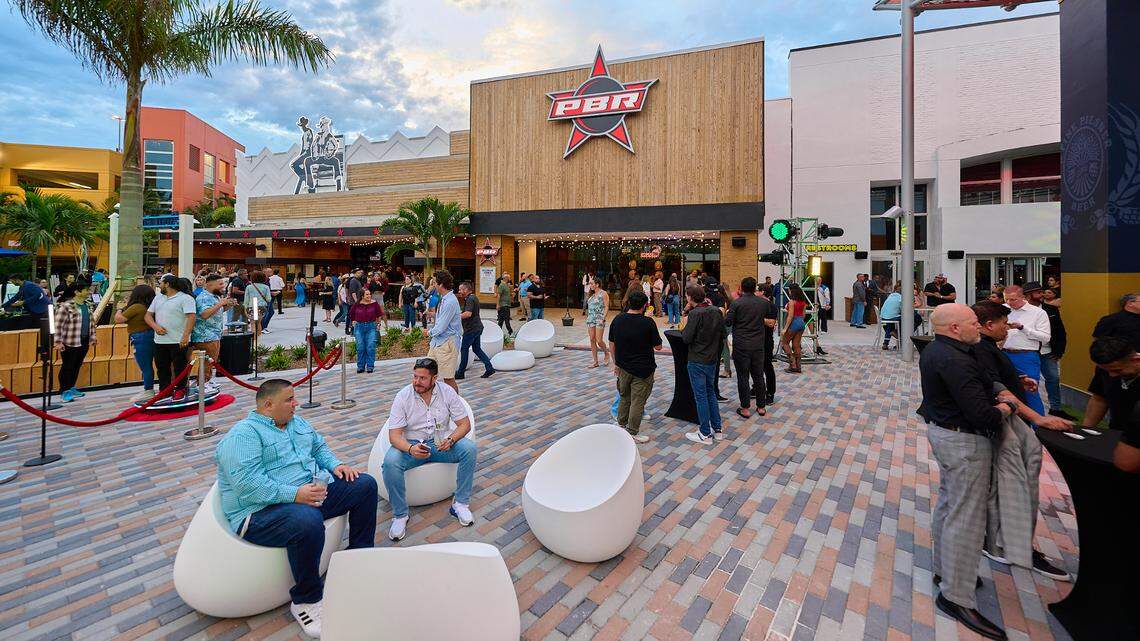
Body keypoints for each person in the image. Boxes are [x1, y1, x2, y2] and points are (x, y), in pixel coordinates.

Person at [215, 379, 377, 638]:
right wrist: (296, 495)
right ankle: (306, 599)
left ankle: (359, 559)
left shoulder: (296, 422)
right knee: (308, 520)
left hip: (304, 496)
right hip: (259, 512)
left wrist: (336, 466)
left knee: (365, 485)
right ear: (268, 405)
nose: (296, 403)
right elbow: (248, 486)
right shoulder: (244, 435)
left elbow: (318, 447)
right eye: (289, 399)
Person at [918, 303, 1012, 641]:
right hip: (962, 442)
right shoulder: (954, 359)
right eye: (974, 323)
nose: (979, 327)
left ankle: (946, 569)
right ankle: (956, 595)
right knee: (966, 514)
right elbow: (982, 414)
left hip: (945, 434)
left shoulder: (938, 349)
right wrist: (1004, 407)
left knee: (949, 502)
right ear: (955, 328)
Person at [969, 301, 1073, 581]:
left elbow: (998, 381)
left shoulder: (988, 349)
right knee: (1011, 485)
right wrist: (1037, 418)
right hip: (1003, 424)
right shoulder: (980, 349)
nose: (1009, 327)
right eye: (1004, 323)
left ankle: (1000, 541)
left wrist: (1018, 378)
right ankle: (1008, 545)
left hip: (1007, 421)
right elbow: (998, 390)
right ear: (989, 325)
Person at [381, 358, 477, 541]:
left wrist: (451, 439)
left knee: (469, 449)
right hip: (412, 445)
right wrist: (410, 449)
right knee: (390, 462)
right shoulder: (403, 396)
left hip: (441, 444)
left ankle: (461, 504)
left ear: (434, 378)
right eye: (415, 376)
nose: (417, 381)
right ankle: (400, 515)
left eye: (422, 378)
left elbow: (464, 424)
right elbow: (394, 436)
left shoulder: (447, 392)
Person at [607, 290, 662, 444]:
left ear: (629, 303)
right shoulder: (647, 323)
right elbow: (658, 346)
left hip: (623, 366)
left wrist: (615, 362)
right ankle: (632, 431)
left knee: (625, 397)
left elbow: (612, 343)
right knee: (638, 400)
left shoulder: (618, 320)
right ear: (645, 305)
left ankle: (621, 424)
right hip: (643, 370)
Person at [1085, 337, 1140, 473]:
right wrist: (1084, 431)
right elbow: (1099, 399)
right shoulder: (1106, 369)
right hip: (1117, 435)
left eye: (1117, 370)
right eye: (1107, 370)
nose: (1112, 375)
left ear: (1136, 360)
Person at [682, 284, 726, 444]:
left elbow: (686, 338)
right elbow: (723, 333)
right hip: (711, 359)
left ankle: (705, 433)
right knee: (710, 393)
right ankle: (717, 429)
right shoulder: (715, 311)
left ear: (691, 297)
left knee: (701, 396)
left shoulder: (695, 314)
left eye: (687, 296)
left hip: (697, 359)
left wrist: (686, 316)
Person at [726, 277, 774, 419]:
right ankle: (761, 406)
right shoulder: (763, 303)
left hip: (741, 345)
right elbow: (768, 319)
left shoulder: (737, 303)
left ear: (741, 287)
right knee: (759, 375)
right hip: (758, 345)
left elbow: (728, 322)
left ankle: (745, 407)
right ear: (755, 288)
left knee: (743, 376)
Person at [1001, 285, 1050, 418]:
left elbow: (1045, 337)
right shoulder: (1003, 309)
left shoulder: (1038, 313)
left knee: (1031, 392)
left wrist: (1023, 328)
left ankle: (1038, 427)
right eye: (1007, 299)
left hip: (1026, 355)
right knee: (1003, 390)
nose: (1010, 303)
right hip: (1003, 354)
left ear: (1023, 297)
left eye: (1013, 299)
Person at [1023, 281, 1070, 419]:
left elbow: (1061, 332)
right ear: (1028, 295)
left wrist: (1059, 351)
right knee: (1030, 380)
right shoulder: (1020, 311)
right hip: (1028, 351)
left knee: (1053, 378)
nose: (1041, 294)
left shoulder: (1051, 310)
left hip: (1048, 351)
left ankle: (1055, 408)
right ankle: (1030, 408)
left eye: (1041, 291)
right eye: (1038, 292)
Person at [146, 275, 196, 402]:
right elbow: (148, 315)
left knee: (180, 366)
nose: (159, 285)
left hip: (178, 340)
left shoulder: (185, 298)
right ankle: (165, 390)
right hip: (160, 340)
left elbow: (191, 317)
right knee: (162, 367)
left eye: (161, 283)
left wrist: (185, 335)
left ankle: (180, 389)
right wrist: (155, 326)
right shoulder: (158, 298)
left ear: (167, 284)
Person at [192, 274, 235, 396]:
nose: (223, 286)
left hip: (214, 334)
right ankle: (202, 384)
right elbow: (205, 314)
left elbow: (216, 311)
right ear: (209, 285)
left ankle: (208, 380)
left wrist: (228, 305)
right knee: (207, 361)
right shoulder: (204, 297)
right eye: (220, 284)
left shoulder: (214, 297)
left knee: (212, 360)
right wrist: (221, 304)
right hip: (205, 335)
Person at [53, 284, 96, 403]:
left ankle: (71, 387)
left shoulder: (87, 305)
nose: (89, 292)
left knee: (77, 365)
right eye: (86, 290)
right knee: (68, 366)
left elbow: (91, 323)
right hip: (69, 341)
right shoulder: (65, 306)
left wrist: (92, 337)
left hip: (84, 340)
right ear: (77, 292)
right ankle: (64, 390)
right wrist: (58, 342)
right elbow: (58, 325)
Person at [115, 284, 157, 402]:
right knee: (149, 365)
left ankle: (148, 390)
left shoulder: (137, 307)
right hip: (149, 336)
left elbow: (119, 319)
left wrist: (119, 308)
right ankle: (149, 389)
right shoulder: (147, 307)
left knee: (145, 366)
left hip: (141, 338)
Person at [426, 270, 462, 391]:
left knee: (448, 378)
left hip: (447, 344)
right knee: (427, 372)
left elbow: (441, 328)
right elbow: (444, 319)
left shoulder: (450, 301)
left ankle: (456, 405)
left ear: (441, 284)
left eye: (435, 282)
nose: (434, 285)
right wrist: (434, 315)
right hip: (437, 343)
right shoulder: (444, 299)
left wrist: (428, 332)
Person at [455, 281, 494, 379]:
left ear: (466, 290)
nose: (459, 291)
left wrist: (454, 317)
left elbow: (468, 313)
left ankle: (460, 373)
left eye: (461, 289)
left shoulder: (470, 299)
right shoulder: (473, 297)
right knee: (477, 349)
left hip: (471, 329)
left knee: (464, 349)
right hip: (477, 327)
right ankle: (489, 368)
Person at [347, 288, 381, 373]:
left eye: (369, 294)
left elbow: (379, 314)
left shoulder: (374, 303)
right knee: (360, 347)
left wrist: (378, 324)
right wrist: (354, 321)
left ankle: (370, 366)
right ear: (362, 296)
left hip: (371, 326)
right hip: (359, 327)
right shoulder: (357, 304)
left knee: (370, 346)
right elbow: (351, 313)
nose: (369, 296)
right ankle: (361, 366)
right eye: (367, 294)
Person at [780, 284, 808, 373]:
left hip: (794, 322)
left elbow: (790, 316)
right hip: (801, 323)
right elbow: (803, 315)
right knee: (796, 345)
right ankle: (798, 366)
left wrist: (785, 328)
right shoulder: (803, 302)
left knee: (784, 342)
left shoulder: (792, 302)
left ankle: (792, 364)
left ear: (791, 291)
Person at [585, 277, 611, 368]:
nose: (590, 285)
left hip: (600, 318)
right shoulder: (591, 295)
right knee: (592, 339)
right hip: (591, 319)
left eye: (592, 283)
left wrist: (603, 317)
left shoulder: (603, 293)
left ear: (597, 284)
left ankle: (606, 353)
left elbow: (607, 306)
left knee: (599, 340)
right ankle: (595, 361)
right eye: (590, 284)